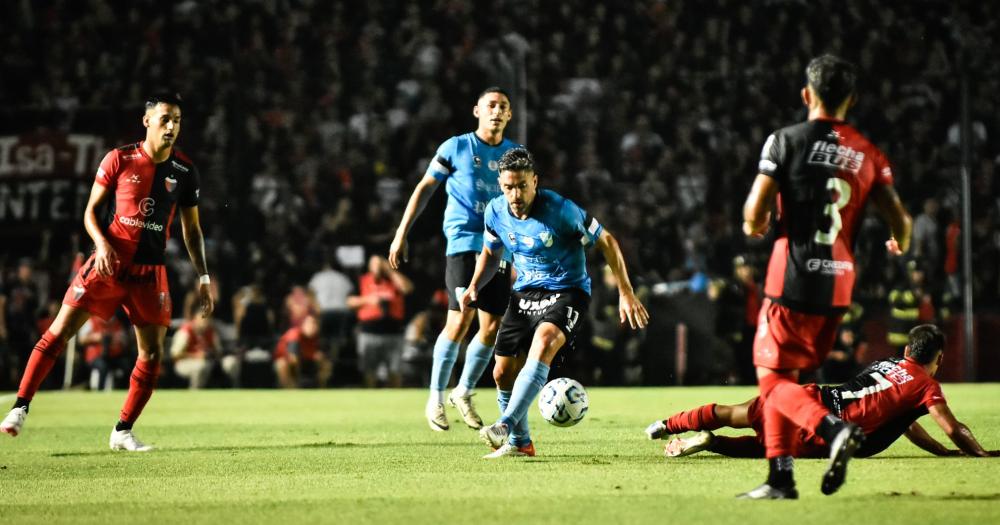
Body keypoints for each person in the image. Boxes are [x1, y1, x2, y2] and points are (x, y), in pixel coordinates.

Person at [0, 92, 215, 451]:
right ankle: (20, 407)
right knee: (59, 332)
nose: (172, 126)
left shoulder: (185, 171)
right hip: (109, 265)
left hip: (149, 273)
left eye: (177, 120)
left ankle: (122, 431)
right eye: (165, 119)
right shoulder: (119, 158)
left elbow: (192, 231)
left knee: (152, 355)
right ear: (146, 121)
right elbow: (90, 213)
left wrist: (204, 278)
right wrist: (101, 244)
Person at [740, 55, 912, 498]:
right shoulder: (868, 153)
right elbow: (901, 221)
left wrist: (755, 224)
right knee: (787, 380)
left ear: (805, 94)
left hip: (791, 279)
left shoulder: (785, 141)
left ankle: (833, 430)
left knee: (771, 380)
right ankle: (780, 479)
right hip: (838, 286)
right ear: (851, 100)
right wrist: (900, 242)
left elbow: (754, 212)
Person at [464, 147, 648, 458]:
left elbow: (607, 240)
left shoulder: (561, 210)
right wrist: (473, 286)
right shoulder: (495, 211)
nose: (516, 194)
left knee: (545, 340)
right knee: (501, 372)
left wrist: (625, 292)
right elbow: (491, 252)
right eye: (509, 187)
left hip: (568, 291)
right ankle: (522, 443)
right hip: (524, 293)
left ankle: (505, 424)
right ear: (500, 185)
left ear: (534, 181)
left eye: (522, 185)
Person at [645, 325, 998, 460]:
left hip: (808, 395)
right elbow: (952, 427)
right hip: (827, 427)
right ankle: (713, 442)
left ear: (907, 351)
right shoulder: (925, 384)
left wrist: (941, 453)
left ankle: (666, 424)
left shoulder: (887, 364)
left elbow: (903, 422)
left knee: (733, 412)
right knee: (769, 447)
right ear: (937, 359)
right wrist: (979, 454)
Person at [389, 87, 521, 431]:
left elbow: (525, 203)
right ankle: (435, 396)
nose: (496, 111)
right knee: (460, 319)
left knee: (491, 327)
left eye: (503, 107)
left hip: (499, 247)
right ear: (477, 110)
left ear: (509, 115)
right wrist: (403, 232)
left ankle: (462, 391)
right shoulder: (457, 147)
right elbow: (425, 187)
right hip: (464, 241)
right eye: (490, 105)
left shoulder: (515, 154)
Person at [347, 255, 413, 388]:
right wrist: (368, 300)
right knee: (369, 371)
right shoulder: (362, 281)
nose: (377, 267)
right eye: (374, 264)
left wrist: (390, 270)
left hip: (393, 333)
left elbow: (407, 288)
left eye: (380, 264)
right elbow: (349, 301)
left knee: (395, 371)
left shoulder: (394, 280)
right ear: (369, 266)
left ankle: (395, 400)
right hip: (369, 333)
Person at [273, 313, 332, 388]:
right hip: (291, 364)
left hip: (308, 362)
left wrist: (319, 358)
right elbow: (293, 358)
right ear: (302, 325)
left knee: (327, 364)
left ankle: (321, 388)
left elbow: (322, 355)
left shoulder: (317, 337)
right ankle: (291, 391)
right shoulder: (294, 334)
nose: (311, 326)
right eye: (309, 324)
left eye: (314, 323)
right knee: (281, 364)